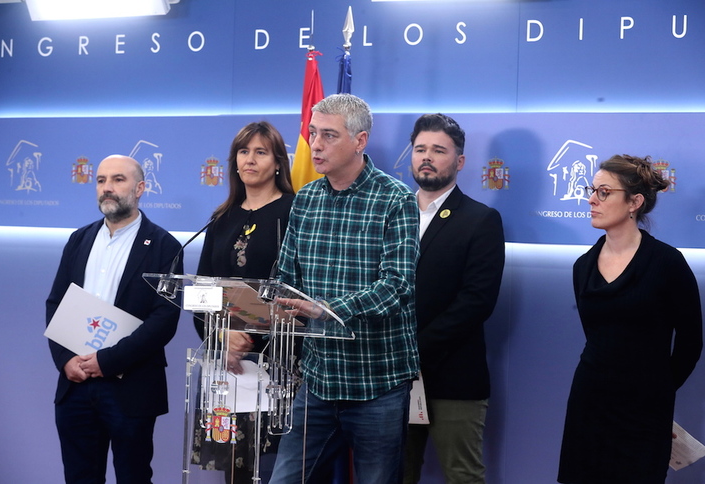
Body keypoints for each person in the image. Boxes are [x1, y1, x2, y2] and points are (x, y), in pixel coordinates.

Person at [268, 93, 421, 484]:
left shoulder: (395, 199)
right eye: (313, 133)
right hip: (317, 380)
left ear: (360, 140)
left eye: (329, 136)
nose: (315, 145)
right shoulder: (306, 199)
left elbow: (397, 286)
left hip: (377, 383)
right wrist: (261, 303)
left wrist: (328, 309)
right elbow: (286, 276)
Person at [558, 154, 703, 484]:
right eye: (591, 190)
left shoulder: (667, 263)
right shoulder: (583, 265)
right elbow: (597, 337)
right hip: (588, 402)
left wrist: (658, 389)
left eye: (604, 192)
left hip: (645, 411)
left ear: (634, 202)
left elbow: (691, 342)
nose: (591, 200)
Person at [45, 154, 182, 484]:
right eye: (101, 180)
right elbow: (56, 303)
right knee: (80, 477)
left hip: (130, 386)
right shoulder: (79, 239)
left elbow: (164, 319)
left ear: (140, 189)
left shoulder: (166, 245)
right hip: (75, 384)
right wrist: (65, 361)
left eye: (118, 180)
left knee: (133, 477)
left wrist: (106, 361)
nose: (107, 188)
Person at [403, 114, 505, 484]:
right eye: (420, 149)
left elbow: (476, 301)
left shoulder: (481, 220)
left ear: (459, 162)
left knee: (462, 476)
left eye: (438, 150)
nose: (427, 157)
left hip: (453, 377)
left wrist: (414, 348)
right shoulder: (389, 213)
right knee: (393, 473)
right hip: (388, 377)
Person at [192, 121, 295, 482]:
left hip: (282, 367)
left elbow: (303, 294)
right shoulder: (221, 219)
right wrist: (222, 337)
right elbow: (201, 294)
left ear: (279, 162)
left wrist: (254, 337)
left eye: (261, 151)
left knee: (275, 471)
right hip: (229, 369)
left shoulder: (296, 214)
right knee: (235, 472)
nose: (249, 159)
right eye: (243, 151)